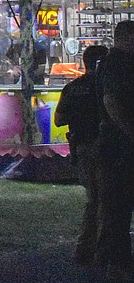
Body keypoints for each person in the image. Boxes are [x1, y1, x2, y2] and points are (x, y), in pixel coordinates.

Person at [54, 44, 107, 265]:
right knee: (104, 199)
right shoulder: (103, 86)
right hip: (103, 146)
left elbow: (59, 119)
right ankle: (96, 249)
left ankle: (87, 248)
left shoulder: (72, 87)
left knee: (94, 198)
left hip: (81, 146)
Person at [98, 21, 134, 282]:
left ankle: (114, 259)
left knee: (117, 205)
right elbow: (112, 102)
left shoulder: (114, 63)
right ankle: (117, 262)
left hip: (117, 142)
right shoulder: (117, 64)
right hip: (119, 144)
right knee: (119, 204)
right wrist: (130, 131)